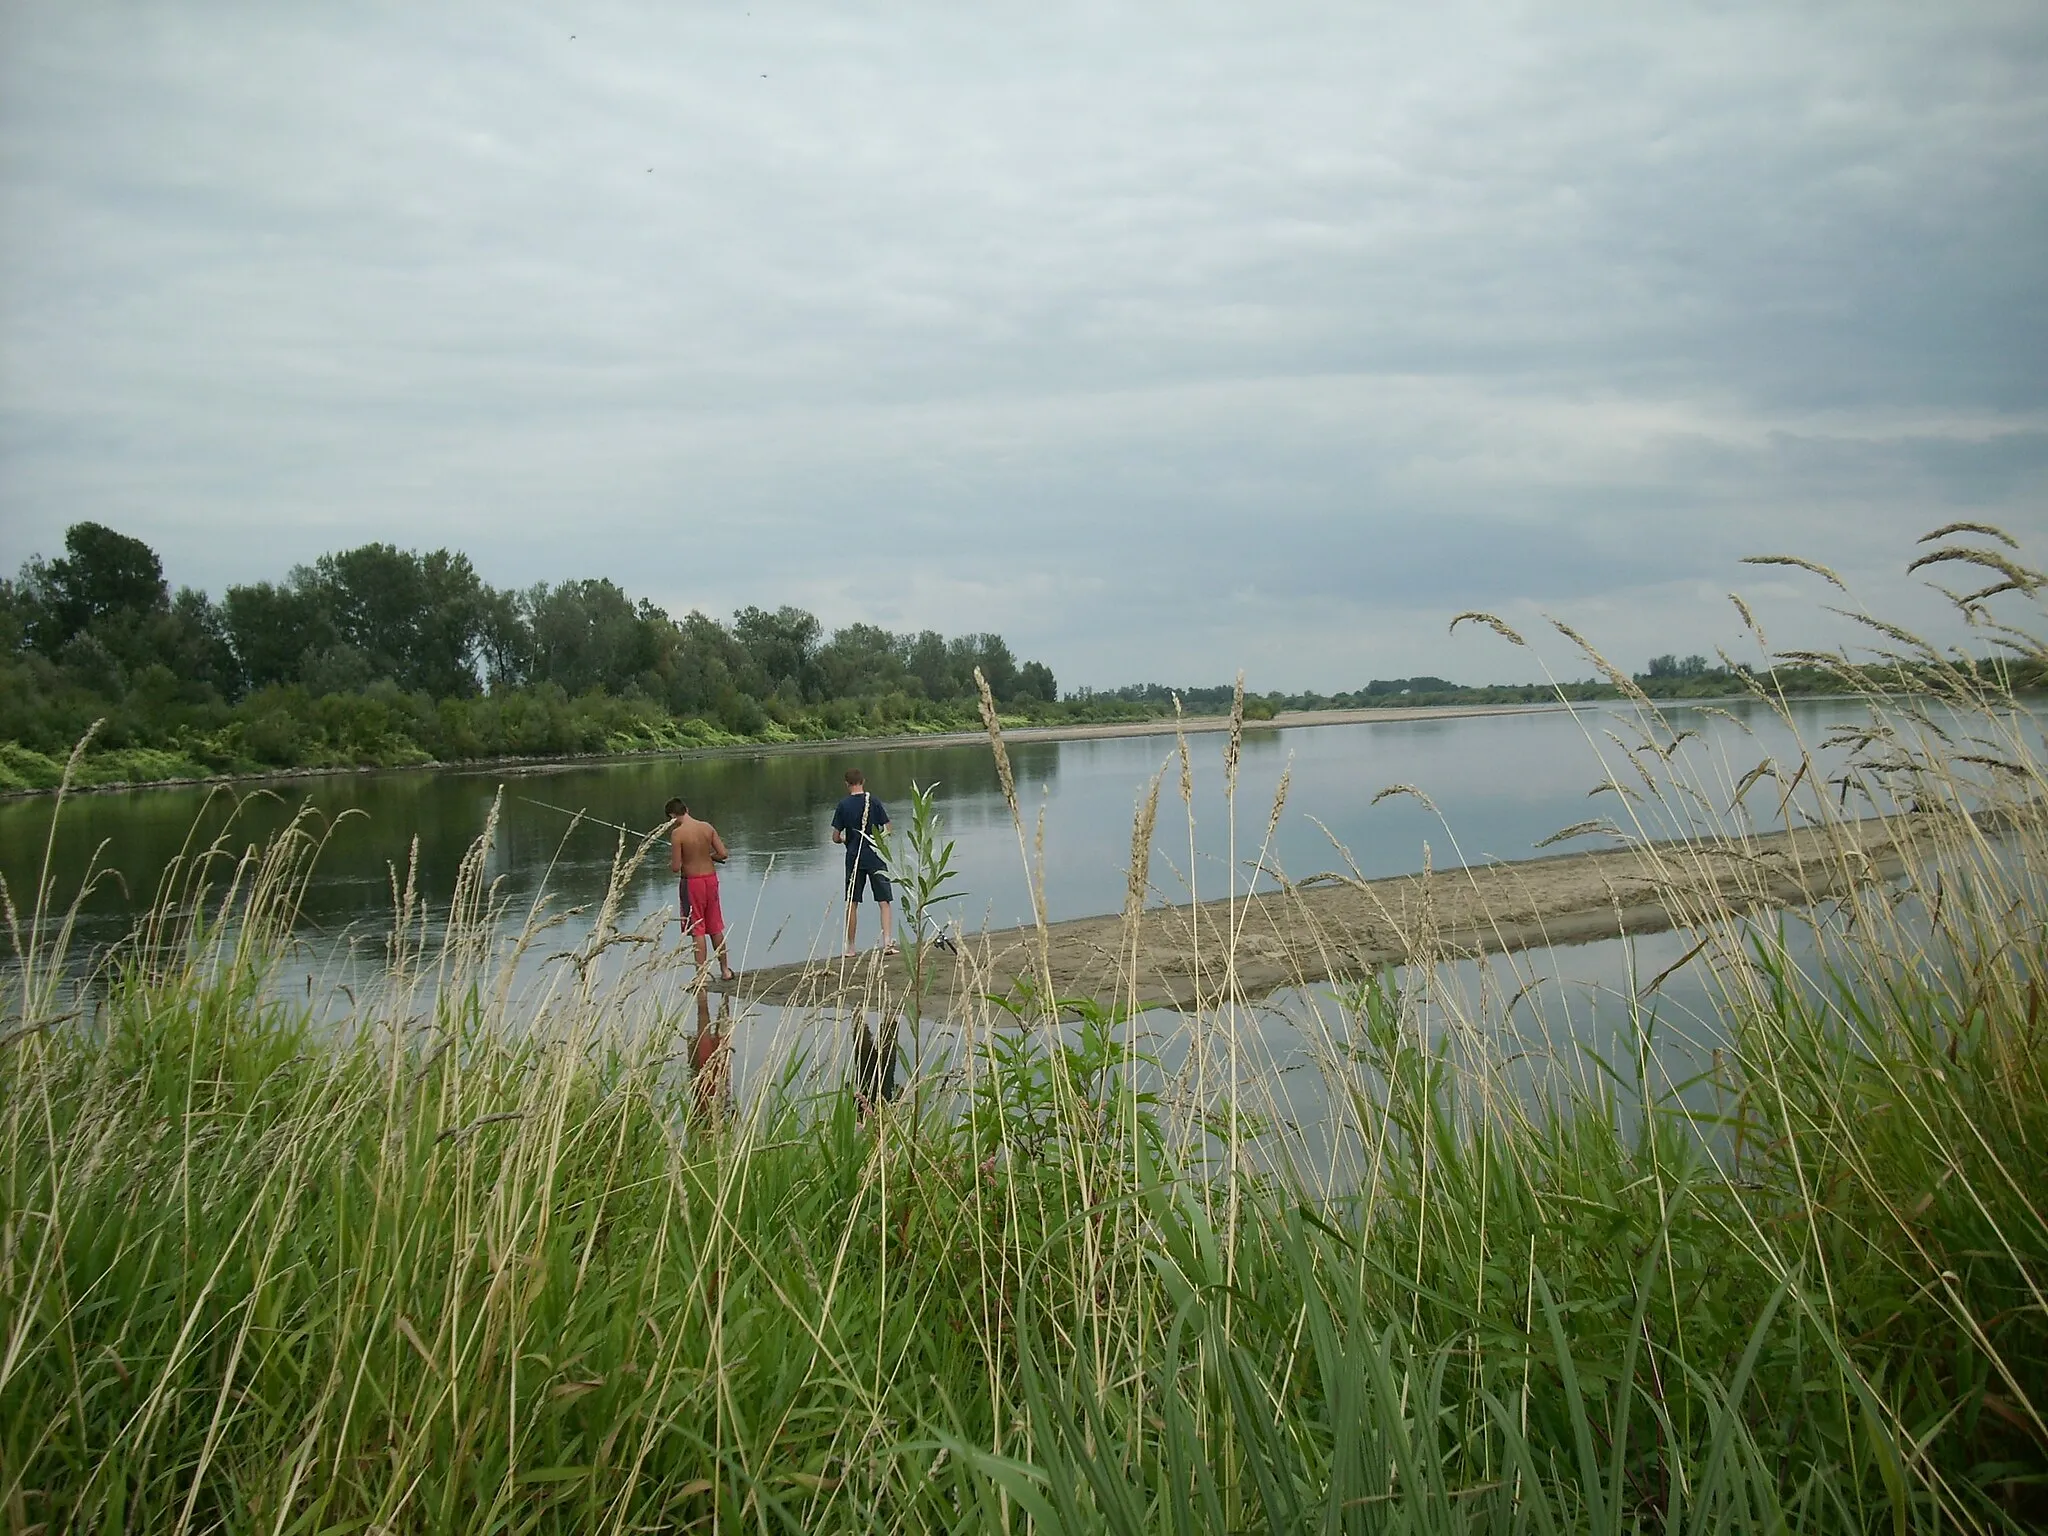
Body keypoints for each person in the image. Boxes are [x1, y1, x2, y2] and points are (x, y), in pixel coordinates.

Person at [668, 796, 736, 983]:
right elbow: (723, 854)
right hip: (711, 880)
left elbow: (675, 867)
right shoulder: (707, 827)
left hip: (692, 884)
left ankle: (701, 976)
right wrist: (710, 857)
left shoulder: (677, 834)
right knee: (715, 927)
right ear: (687, 809)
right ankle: (725, 970)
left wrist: (672, 862)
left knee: (697, 929)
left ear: (672, 816)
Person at [830, 768, 895, 955]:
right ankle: (887, 943)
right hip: (875, 854)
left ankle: (851, 948)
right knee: (884, 901)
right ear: (863, 781)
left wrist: (844, 841)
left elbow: (835, 836)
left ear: (846, 784)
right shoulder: (873, 801)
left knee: (852, 901)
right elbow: (888, 828)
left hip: (854, 856)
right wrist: (878, 840)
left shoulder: (843, 805)